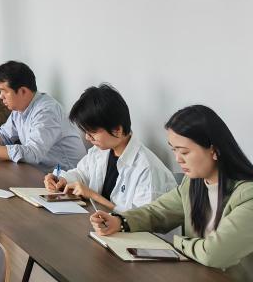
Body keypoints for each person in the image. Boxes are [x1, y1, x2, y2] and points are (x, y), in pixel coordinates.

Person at [92, 105, 253, 279]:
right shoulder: (193, 183)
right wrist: (120, 221)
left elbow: (214, 253)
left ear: (214, 150)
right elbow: (156, 212)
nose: (177, 159)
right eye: (174, 150)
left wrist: (176, 242)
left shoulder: (248, 196)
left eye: (184, 152)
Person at [42, 84, 174, 212]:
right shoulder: (101, 151)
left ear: (117, 130)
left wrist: (93, 196)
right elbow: (82, 174)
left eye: (92, 132)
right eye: (85, 132)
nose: (87, 138)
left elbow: (141, 220)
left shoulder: (147, 169)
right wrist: (62, 180)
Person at [0, 61, 86, 169]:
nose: (0, 96)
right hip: (40, 173)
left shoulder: (46, 111)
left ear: (23, 91)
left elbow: (33, 153)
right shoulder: (19, 109)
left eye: (4, 91)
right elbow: (4, 135)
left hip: (65, 177)